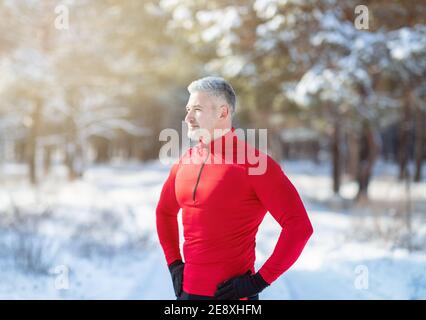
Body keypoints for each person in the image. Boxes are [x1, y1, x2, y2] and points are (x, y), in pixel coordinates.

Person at [156, 76, 313, 300]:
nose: (188, 117)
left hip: (233, 298)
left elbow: (299, 227)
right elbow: (164, 212)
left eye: (197, 109)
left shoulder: (256, 165)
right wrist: (174, 264)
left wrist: (258, 281)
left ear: (223, 112)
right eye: (188, 109)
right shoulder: (184, 162)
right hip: (188, 295)